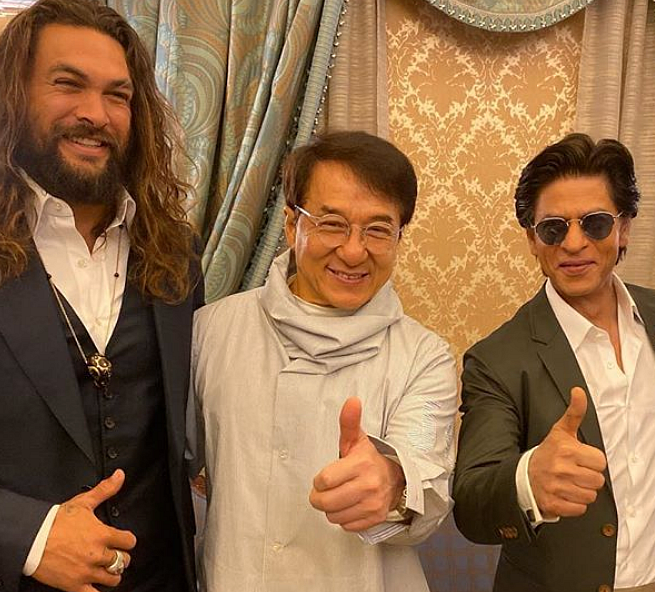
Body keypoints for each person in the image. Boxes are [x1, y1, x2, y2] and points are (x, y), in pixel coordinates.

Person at [0, 0, 203, 592]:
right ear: (12, 96)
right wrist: (28, 536)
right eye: (68, 84)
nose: (96, 113)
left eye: (118, 95)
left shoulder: (176, 250)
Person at [453, 133, 655, 592]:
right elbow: (472, 505)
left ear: (624, 229)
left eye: (595, 223)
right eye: (553, 228)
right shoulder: (496, 359)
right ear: (532, 239)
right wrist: (528, 481)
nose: (573, 243)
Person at [191, 131, 457, 591]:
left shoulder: (424, 356)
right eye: (332, 224)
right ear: (292, 224)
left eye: (378, 230)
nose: (354, 251)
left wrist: (393, 482)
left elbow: (425, 474)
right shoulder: (211, 331)